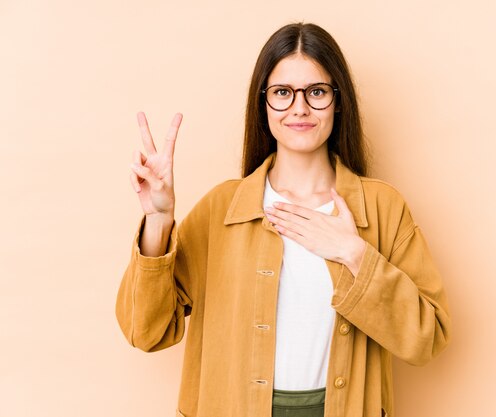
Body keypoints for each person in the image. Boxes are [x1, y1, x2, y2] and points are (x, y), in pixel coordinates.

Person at [116, 22, 451, 417]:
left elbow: (427, 338)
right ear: (263, 103)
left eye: (316, 92)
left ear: (338, 100)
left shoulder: (382, 208)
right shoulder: (221, 209)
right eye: (282, 93)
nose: (300, 107)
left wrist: (356, 254)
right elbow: (146, 332)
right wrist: (158, 219)